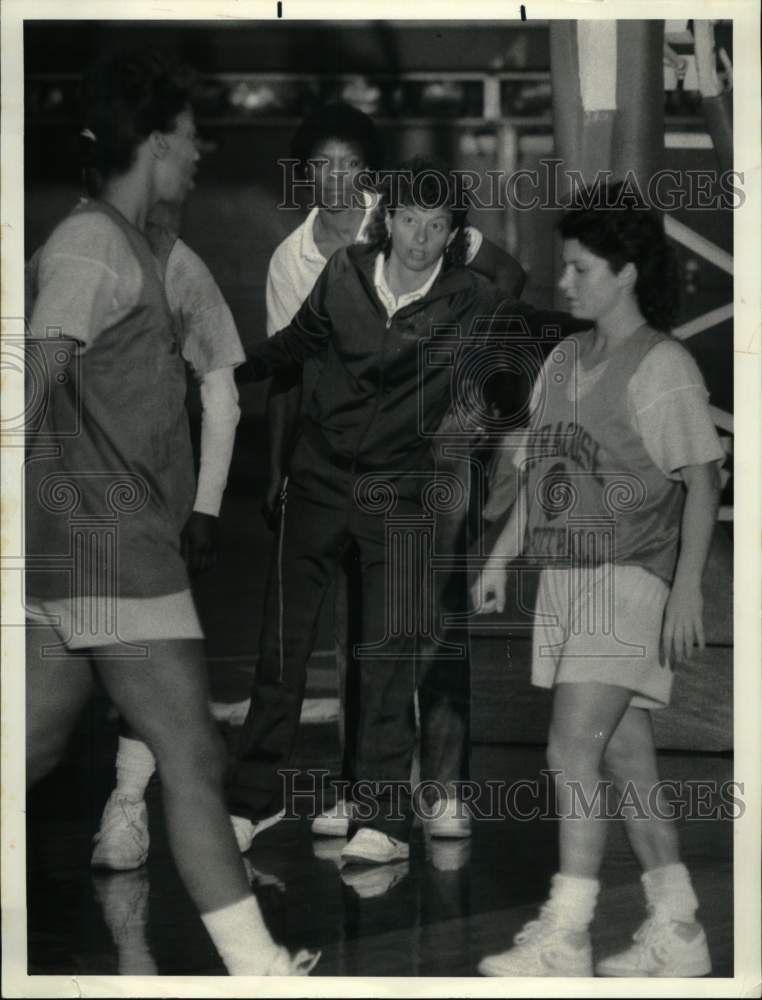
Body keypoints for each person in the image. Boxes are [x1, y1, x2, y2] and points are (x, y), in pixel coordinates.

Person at [24, 50, 317, 976]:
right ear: (154, 141)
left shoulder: (132, 246)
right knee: (191, 753)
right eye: (191, 137)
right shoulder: (92, 249)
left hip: (76, 556)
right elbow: (22, 387)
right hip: (109, 557)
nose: (201, 151)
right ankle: (259, 972)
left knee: (27, 749)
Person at [229, 155, 575, 865]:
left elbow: (537, 338)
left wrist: (478, 421)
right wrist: (227, 370)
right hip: (319, 483)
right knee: (282, 650)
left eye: (436, 226)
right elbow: (297, 345)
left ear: (453, 234)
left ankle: (384, 819)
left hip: (401, 496)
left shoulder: (472, 299)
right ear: (388, 218)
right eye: (410, 221)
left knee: (389, 654)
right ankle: (248, 802)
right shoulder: (344, 273)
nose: (420, 239)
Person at [472, 184, 724, 977]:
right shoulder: (563, 359)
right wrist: (500, 556)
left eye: (580, 269)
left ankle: (566, 933)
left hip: (629, 579)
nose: (564, 283)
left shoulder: (666, 365)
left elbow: (705, 482)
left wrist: (685, 589)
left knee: (569, 751)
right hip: (566, 581)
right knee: (624, 759)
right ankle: (680, 931)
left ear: (625, 274)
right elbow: (541, 474)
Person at [263, 104, 527, 841]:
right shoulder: (293, 262)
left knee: (435, 610)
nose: (336, 178)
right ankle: (361, 785)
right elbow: (291, 371)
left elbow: (504, 274)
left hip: (436, 454)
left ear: (369, 176)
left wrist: (472, 402)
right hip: (348, 464)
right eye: (321, 165)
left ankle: (443, 786)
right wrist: (281, 473)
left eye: (350, 165)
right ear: (303, 175)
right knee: (365, 623)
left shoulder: (416, 215)